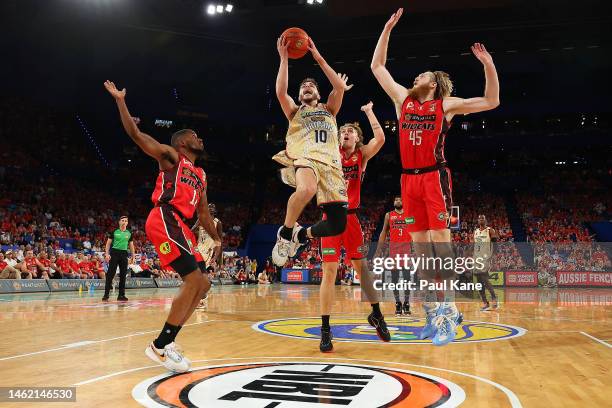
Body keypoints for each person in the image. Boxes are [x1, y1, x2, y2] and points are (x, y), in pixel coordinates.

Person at [371, 8, 500, 345]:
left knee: (440, 248)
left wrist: (488, 65)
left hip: (434, 178)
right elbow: (378, 67)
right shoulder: (404, 102)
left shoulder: (445, 105)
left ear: (434, 83)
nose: (415, 78)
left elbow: (491, 100)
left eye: (421, 76)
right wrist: (386, 29)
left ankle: (450, 312)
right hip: (408, 180)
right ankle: (433, 312)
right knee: (420, 252)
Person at [104, 80, 221, 372]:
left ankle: (166, 343)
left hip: (182, 226)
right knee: (194, 280)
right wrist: (120, 101)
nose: (201, 139)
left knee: (203, 284)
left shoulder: (201, 175)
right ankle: (159, 345)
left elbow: (204, 214)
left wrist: (218, 239)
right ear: (183, 142)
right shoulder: (171, 157)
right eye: (196, 136)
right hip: (165, 217)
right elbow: (136, 134)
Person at [271, 34, 350, 267]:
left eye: (311, 86)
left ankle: (300, 235)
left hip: (332, 165)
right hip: (306, 157)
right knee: (306, 189)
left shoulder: (330, 108)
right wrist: (284, 58)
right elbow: (280, 91)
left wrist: (316, 55)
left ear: (318, 94)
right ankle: (285, 234)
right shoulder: (294, 111)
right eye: (303, 86)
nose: (307, 87)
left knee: (337, 225)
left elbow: (338, 86)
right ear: (299, 95)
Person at [318, 101, 390, 352]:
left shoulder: (362, 155)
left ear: (358, 138)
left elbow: (380, 138)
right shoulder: (329, 152)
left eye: (350, 131)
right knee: (329, 272)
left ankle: (376, 314)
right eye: (343, 131)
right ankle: (325, 329)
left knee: (363, 270)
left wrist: (370, 111)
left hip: (351, 218)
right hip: (330, 217)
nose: (345, 133)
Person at [374, 196, 412, 316]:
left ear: (403, 202)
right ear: (393, 202)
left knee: (407, 278)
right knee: (395, 278)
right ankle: (397, 302)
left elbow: (414, 230)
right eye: (395, 200)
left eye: (400, 200)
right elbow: (383, 232)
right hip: (394, 250)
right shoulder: (388, 215)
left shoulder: (409, 214)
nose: (397, 201)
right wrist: (378, 250)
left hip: (406, 250)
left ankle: (406, 302)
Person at [195, 203, 222, 310]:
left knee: (199, 275)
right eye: (208, 207)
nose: (209, 208)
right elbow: (191, 230)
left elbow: (219, 242)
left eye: (211, 207)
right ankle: (202, 296)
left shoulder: (217, 223)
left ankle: (200, 299)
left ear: (214, 211)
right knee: (196, 275)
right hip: (198, 249)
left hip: (207, 252)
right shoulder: (201, 219)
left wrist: (216, 257)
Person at [101, 216, 135, 301]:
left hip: (124, 254)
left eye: (126, 221)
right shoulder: (114, 231)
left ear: (127, 223)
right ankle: (106, 295)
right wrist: (107, 254)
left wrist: (133, 256)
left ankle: (121, 295)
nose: (124, 222)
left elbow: (131, 245)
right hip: (114, 253)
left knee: (123, 275)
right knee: (110, 274)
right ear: (119, 222)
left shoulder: (129, 232)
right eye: (122, 220)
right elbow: (108, 244)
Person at [473, 214, 499, 311]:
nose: (481, 220)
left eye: (482, 218)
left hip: (485, 258)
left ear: (485, 220)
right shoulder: (475, 232)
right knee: (479, 282)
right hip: (477, 259)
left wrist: (491, 256)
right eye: (479, 218)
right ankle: (485, 303)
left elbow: (495, 245)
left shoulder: (490, 231)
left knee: (484, 278)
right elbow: (474, 246)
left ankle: (494, 299)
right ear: (477, 221)